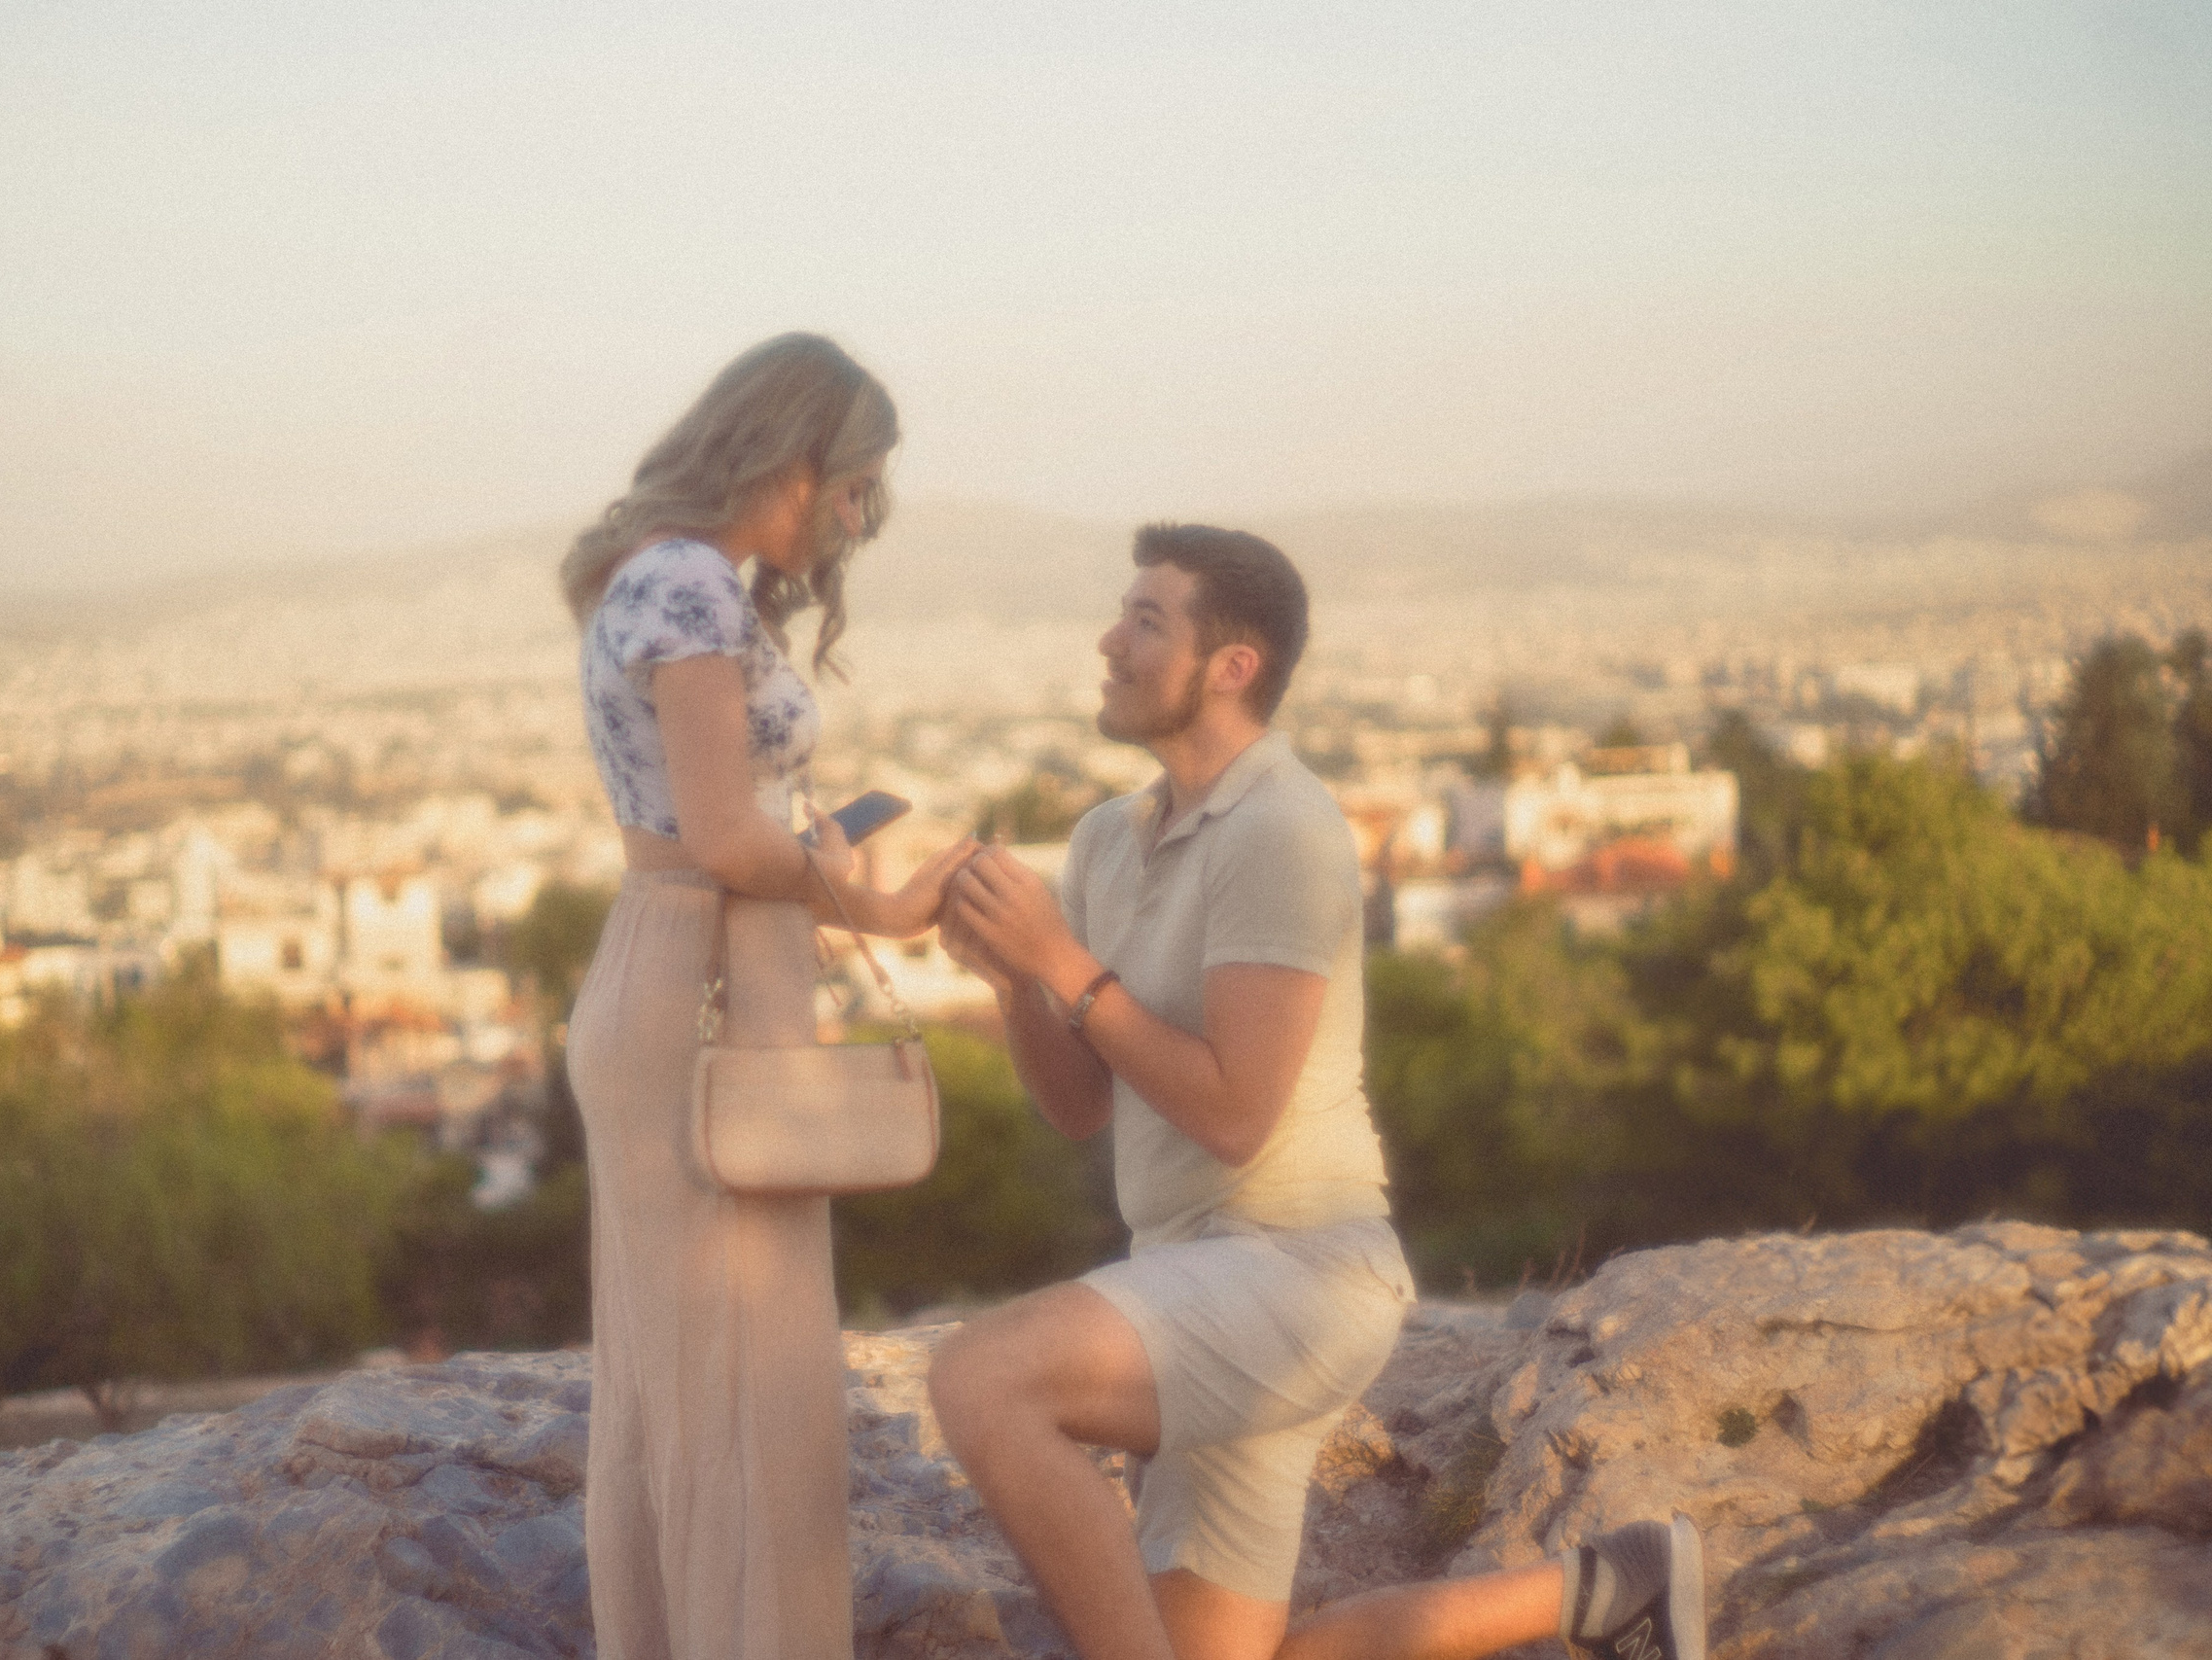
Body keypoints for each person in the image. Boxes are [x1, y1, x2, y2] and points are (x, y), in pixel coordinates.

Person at [930, 524, 1705, 1660]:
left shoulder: (1282, 831)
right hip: (1186, 1280)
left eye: (1145, 621)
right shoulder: (1106, 840)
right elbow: (1080, 1105)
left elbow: (1234, 1115)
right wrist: (1014, 982)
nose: (1109, 641)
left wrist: (1059, 962)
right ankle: (1614, 1584)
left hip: (1295, 1275)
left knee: (981, 1378)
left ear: (1231, 666)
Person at [559, 333, 978, 1660]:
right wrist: (879, 907)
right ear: (787, 459)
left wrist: (818, 854)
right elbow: (727, 838)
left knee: (696, 1383)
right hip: (702, 972)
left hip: (699, 965)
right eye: (852, 483)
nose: (859, 514)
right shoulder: (688, 584)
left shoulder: (671, 575)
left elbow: (724, 827)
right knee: (746, 1386)